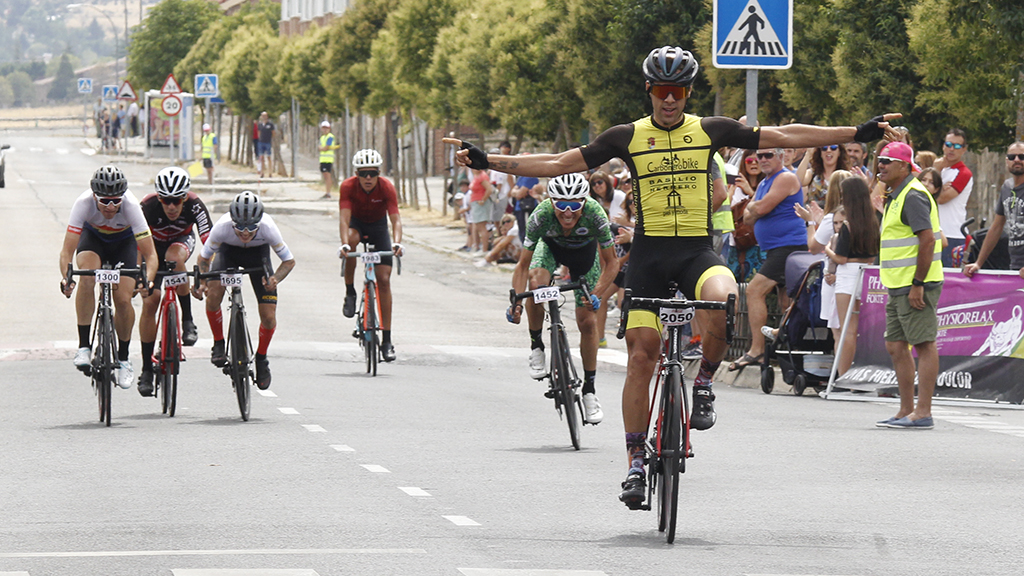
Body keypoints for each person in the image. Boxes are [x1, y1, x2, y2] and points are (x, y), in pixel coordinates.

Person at [443, 45, 899, 507]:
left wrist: (855, 131)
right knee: (643, 355)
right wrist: (487, 162)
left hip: (696, 252)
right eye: (662, 91)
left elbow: (783, 133)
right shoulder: (626, 136)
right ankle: (636, 464)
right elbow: (561, 163)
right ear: (650, 91)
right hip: (649, 257)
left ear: (687, 92)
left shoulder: (709, 130)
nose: (670, 100)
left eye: (678, 91)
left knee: (726, 301)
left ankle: (703, 385)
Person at [506, 173, 619, 424]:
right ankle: (537, 346)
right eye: (561, 206)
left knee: (588, 322)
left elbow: (612, 262)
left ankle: (589, 391)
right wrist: (515, 302)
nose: (568, 213)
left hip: (584, 255)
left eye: (575, 205)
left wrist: (597, 293)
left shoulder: (596, 214)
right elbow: (523, 265)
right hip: (550, 248)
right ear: (551, 202)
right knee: (536, 284)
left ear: (585, 202)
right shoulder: (541, 215)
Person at [59, 165, 158, 390]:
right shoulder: (83, 203)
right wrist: (67, 278)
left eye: (116, 201)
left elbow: (151, 254)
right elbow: (66, 251)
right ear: (95, 196)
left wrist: (148, 280)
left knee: (123, 299)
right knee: (87, 278)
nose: (111, 207)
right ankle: (84, 346)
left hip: (124, 244)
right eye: (105, 201)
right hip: (93, 240)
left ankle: (123, 359)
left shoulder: (132, 206)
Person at [194, 191, 296, 390]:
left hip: (258, 257)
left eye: (251, 228)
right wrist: (203, 283)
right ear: (232, 221)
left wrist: (275, 279)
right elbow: (204, 258)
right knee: (213, 295)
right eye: (239, 227)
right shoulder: (222, 227)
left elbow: (289, 261)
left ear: (259, 223)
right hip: (228, 255)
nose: (246, 232)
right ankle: (218, 343)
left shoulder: (268, 228)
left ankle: (261, 358)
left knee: (268, 316)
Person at [874, 142, 942, 429]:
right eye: (879, 160)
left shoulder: (913, 195)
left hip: (915, 284)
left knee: (924, 344)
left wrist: (918, 283)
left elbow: (927, 240)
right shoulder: (897, 194)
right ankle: (906, 409)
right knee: (895, 345)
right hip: (898, 284)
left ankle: (923, 412)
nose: (881, 165)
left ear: (904, 166)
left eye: (888, 161)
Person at [136, 167, 213, 396]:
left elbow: (211, 243)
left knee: (174, 256)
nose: (171, 206)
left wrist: (206, 275)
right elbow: (134, 245)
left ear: (185, 197)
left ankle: (188, 320)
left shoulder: (195, 205)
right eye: (166, 201)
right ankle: (147, 369)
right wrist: (138, 277)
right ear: (159, 198)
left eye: (177, 201)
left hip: (180, 242)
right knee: (151, 301)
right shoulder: (147, 206)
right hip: (151, 248)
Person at [733, 147, 809, 371]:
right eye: (760, 155)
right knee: (786, 302)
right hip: (775, 248)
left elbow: (761, 208)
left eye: (769, 155)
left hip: (788, 247)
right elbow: (747, 216)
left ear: (780, 156)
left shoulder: (784, 177)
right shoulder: (766, 181)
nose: (763, 159)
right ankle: (787, 353)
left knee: (754, 291)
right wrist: (755, 208)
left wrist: (756, 208)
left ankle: (757, 350)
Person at [338, 149, 404, 362]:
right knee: (352, 241)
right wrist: (344, 245)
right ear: (356, 174)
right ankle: (350, 291)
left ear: (379, 173)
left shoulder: (386, 187)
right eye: (363, 173)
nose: (368, 178)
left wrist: (396, 242)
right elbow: (344, 219)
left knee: (384, 281)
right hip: (356, 225)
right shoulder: (348, 187)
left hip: (378, 228)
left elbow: (396, 219)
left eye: (372, 173)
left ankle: (386, 340)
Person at [823, 177, 879, 376]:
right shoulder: (873, 222)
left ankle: (844, 375)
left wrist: (828, 249)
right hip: (867, 272)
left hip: (847, 275)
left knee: (846, 328)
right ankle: (859, 374)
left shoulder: (848, 225)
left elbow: (841, 258)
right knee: (859, 330)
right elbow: (873, 254)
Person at [964, 141, 1024, 279]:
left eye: (1022, 157)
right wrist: (978, 263)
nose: (1017, 160)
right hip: (1015, 266)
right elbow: (996, 227)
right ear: (1006, 160)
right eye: (1012, 156)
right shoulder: (1007, 187)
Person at [933, 129, 973, 267]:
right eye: (948, 144)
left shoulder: (963, 173)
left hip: (953, 235)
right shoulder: (939, 168)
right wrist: (937, 174)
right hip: (933, 232)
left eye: (957, 146)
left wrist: (935, 179)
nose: (951, 149)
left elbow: (942, 199)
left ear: (963, 149)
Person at [318, 120, 338, 199]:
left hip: (328, 160)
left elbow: (326, 147)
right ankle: (327, 191)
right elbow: (320, 147)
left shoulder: (330, 137)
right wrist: (322, 148)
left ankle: (328, 192)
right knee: (325, 176)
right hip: (322, 159)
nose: (325, 129)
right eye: (323, 128)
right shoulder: (322, 137)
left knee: (328, 176)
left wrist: (322, 148)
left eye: (326, 128)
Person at [256, 111, 275, 179]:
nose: (264, 117)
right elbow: (259, 132)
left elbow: (273, 133)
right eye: (262, 116)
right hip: (261, 142)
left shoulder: (270, 125)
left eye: (265, 116)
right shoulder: (260, 125)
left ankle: (270, 173)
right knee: (261, 158)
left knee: (269, 157)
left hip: (267, 142)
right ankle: (262, 173)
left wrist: (270, 139)